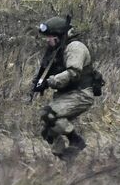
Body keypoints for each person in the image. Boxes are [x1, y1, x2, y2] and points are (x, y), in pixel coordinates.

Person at [31, 16, 103, 160]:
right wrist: (38, 83)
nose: (47, 40)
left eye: (49, 36)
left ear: (58, 35)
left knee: (49, 114)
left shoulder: (75, 47)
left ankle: (75, 140)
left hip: (81, 93)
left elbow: (73, 73)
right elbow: (48, 69)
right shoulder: (57, 49)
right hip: (66, 94)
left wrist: (50, 82)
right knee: (49, 131)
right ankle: (65, 157)